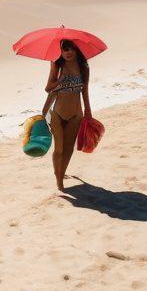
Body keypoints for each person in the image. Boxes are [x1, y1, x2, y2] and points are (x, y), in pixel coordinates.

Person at [40, 38, 91, 192]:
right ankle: (58, 179)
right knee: (59, 149)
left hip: (76, 114)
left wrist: (88, 111)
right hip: (57, 113)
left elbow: (85, 91)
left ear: (76, 50)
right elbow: (48, 88)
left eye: (71, 49)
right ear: (60, 52)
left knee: (69, 149)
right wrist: (60, 81)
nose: (68, 52)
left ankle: (61, 174)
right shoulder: (57, 65)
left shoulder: (84, 67)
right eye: (65, 49)